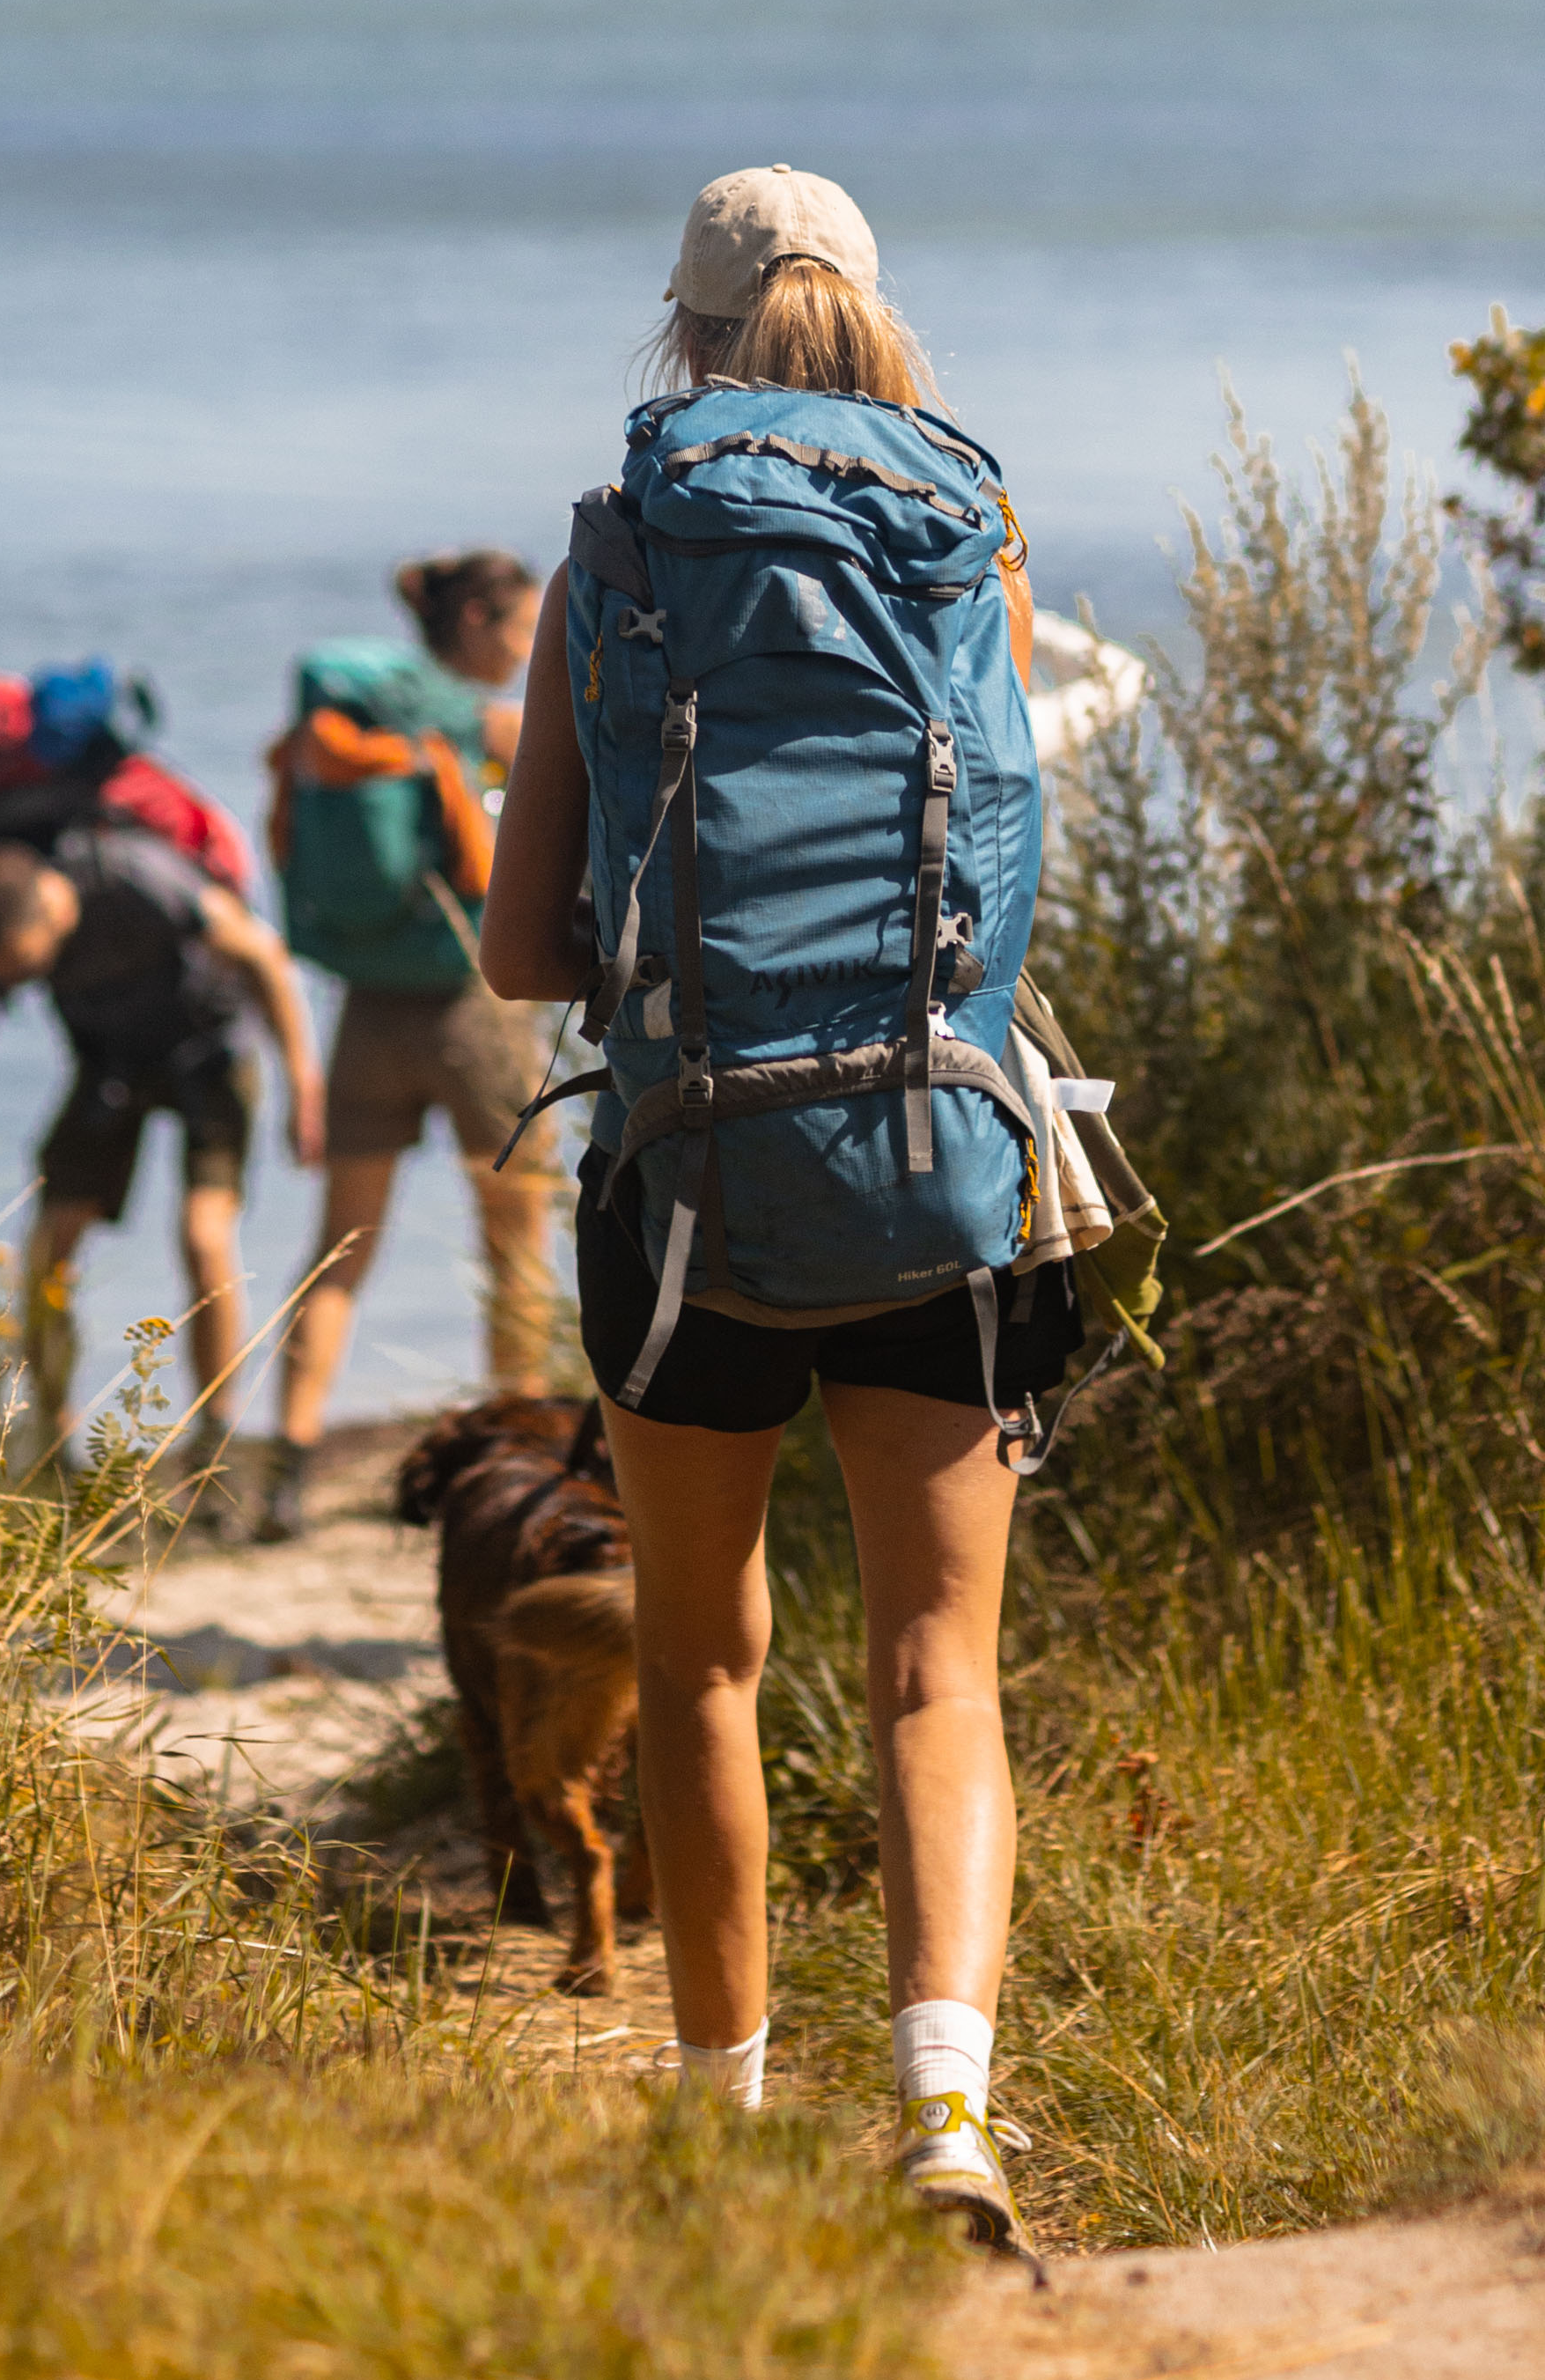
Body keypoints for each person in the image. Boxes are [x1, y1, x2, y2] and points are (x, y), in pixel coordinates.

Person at [479, 166, 1077, 2251]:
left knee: (707, 1658)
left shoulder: (616, 556)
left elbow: (518, 953)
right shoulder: (968, 544)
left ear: (691, 340)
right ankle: (945, 2118)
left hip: (686, 1190)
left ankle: (725, 2135)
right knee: (939, 1667)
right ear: (870, 317)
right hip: (938, 1169)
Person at [259, 549, 562, 1539]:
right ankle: (518, 1440)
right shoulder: (470, 719)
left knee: (340, 1246)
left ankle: (288, 1468)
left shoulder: (348, 722)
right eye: (517, 630)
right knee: (515, 1237)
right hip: (472, 1011)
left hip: (366, 1011)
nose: (523, 651)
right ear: (474, 619)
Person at [0, 810, 325, 1507]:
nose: (16, 984)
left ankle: (213, 1447)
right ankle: (54, 1446)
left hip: (210, 1051)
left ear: (48, 909)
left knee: (204, 1236)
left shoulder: (135, 877)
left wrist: (303, 1086)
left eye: (26, 966)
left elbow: (261, 954)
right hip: (108, 1066)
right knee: (49, 1249)